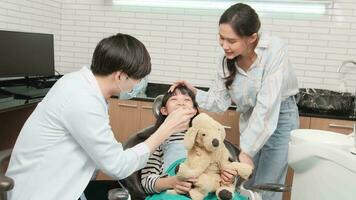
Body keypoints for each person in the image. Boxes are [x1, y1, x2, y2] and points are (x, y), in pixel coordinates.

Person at [6, 33, 195, 200]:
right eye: (138, 79)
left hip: (63, 180)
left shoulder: (81, 85)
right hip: (42, 191)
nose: (138, 85)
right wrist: (166, 129)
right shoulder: (83, 100)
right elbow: (117, 166)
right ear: (120, 76)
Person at [169, 3, 299, 200]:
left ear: (252, 38)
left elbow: (267, 106)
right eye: (221, 38)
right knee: (244, 183)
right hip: (251, 119)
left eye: (231, 40)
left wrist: (246, 150)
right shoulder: (226, 60)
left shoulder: (274, 49)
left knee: (268, 183)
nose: (224, 45)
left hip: (280, 116)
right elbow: (219, 102)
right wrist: (194, 92)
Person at [141, 84, 245, 200]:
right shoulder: (157, 139)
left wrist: (228, 177)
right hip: (176, 190)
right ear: (164, 110)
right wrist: (172, 182)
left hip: (209, 188)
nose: (181, 103)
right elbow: (146, 182)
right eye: (174, 99)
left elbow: (224, 166)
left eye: (186, 99)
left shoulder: (209, 138)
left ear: (194, 110)